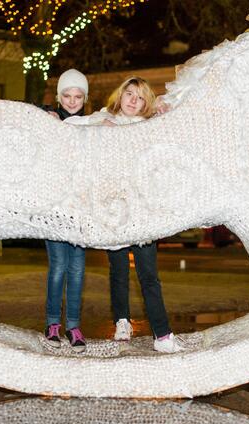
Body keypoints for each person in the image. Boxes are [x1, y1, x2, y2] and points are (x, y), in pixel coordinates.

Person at [66, 76, 183, 353]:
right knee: (118, 271)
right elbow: (69, 124)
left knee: (148, 273)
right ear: (120, 95)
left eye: (140, 97)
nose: (132, 100)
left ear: (145, 103)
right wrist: (96, 124)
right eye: (129, 93)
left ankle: (162, 334)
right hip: (113, 207)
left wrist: (166, 112)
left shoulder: (147, 126)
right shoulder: (105, 117)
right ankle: (122, 321)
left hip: (141, 208)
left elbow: (176, 133)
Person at [41, 69, 89, 352]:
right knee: (58, 266)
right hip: (55, 207)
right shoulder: (50, 119)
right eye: (67, 96)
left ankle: (73, 325)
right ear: (59, 97)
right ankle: (51, 323)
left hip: (81, 209)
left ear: (85, 98)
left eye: (78, 96)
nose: (72, 101)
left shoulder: (89, 124)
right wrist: (46, 111)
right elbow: (25, 113)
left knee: (78, 269)